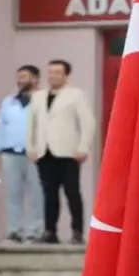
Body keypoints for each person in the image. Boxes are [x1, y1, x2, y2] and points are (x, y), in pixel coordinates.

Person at [27, 59, 96, 244]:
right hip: (44, 152)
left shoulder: (76, 95)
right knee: (49, 193)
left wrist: (83, 146)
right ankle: (50, 231)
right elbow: (31, 125)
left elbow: (87, 123)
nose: (53, 76)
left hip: (68, 152)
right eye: (50, 72)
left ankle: (77, 231)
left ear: (66, 75)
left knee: (72, 192)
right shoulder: (38, 96)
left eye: (57, 72)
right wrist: (31, 147)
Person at [0, 65, 44, 243]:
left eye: (25, 76)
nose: (21, 80)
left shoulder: (43, 99)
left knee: (37, 194)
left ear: (36, 79)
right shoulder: (8, 101)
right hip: (10, 153)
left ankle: (35, 230)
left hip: (36, 154)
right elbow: (1, 126)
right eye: (19, 77)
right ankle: (15, 230)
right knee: (13, 194)